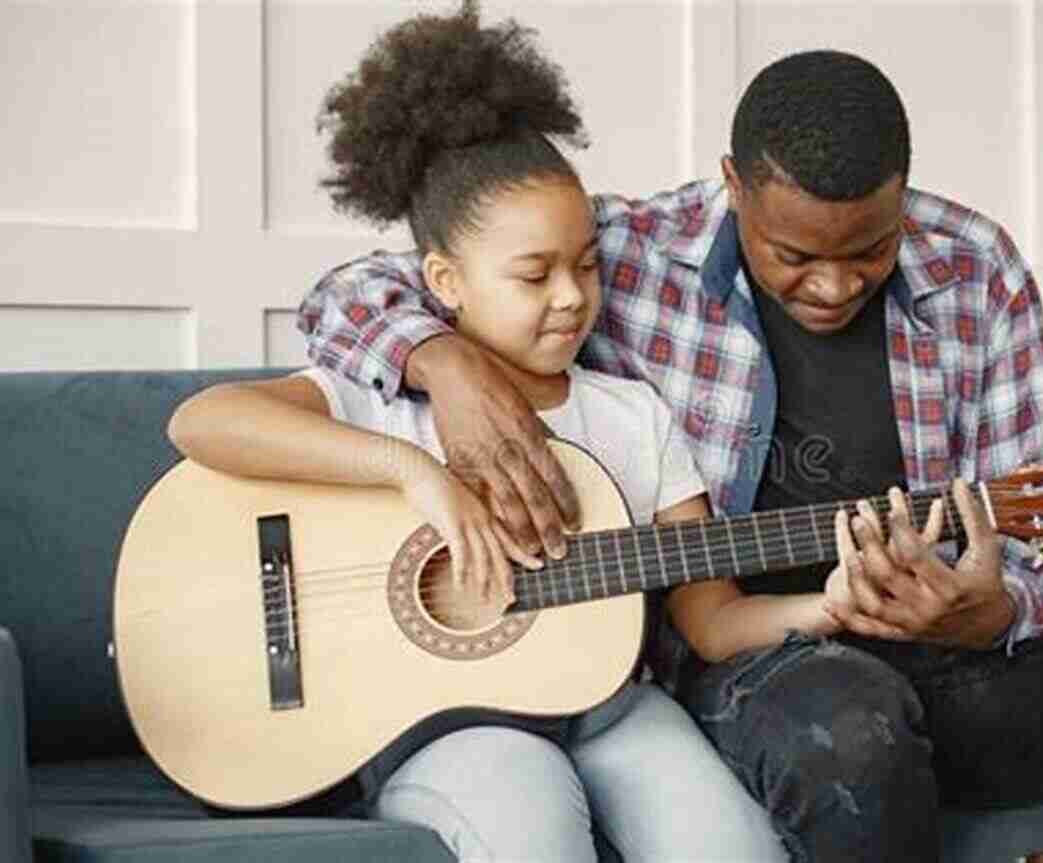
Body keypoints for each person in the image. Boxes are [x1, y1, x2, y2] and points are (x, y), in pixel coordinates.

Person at [297, 42, 1043, 862]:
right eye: (793, 253)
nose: (834, 282)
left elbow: (1034, 564)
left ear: (902, 197)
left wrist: (984, 609)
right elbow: (349, 294)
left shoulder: (980, 271)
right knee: (851, 728)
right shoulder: (626, 253)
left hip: (953, 663)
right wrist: (445, 366)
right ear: (732, 187)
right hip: (759, 661)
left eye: (870, 248)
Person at [166, 4, 788, 861]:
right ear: (444, 279)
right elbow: (201, 421)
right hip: (443, 729)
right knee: (530, 825)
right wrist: (413, 474)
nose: (571, 296)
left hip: (611, 710)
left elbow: (712, 620)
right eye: (534, 274)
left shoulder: (633, 417)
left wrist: (838, 601)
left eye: (586, 265)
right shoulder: (388, 395)